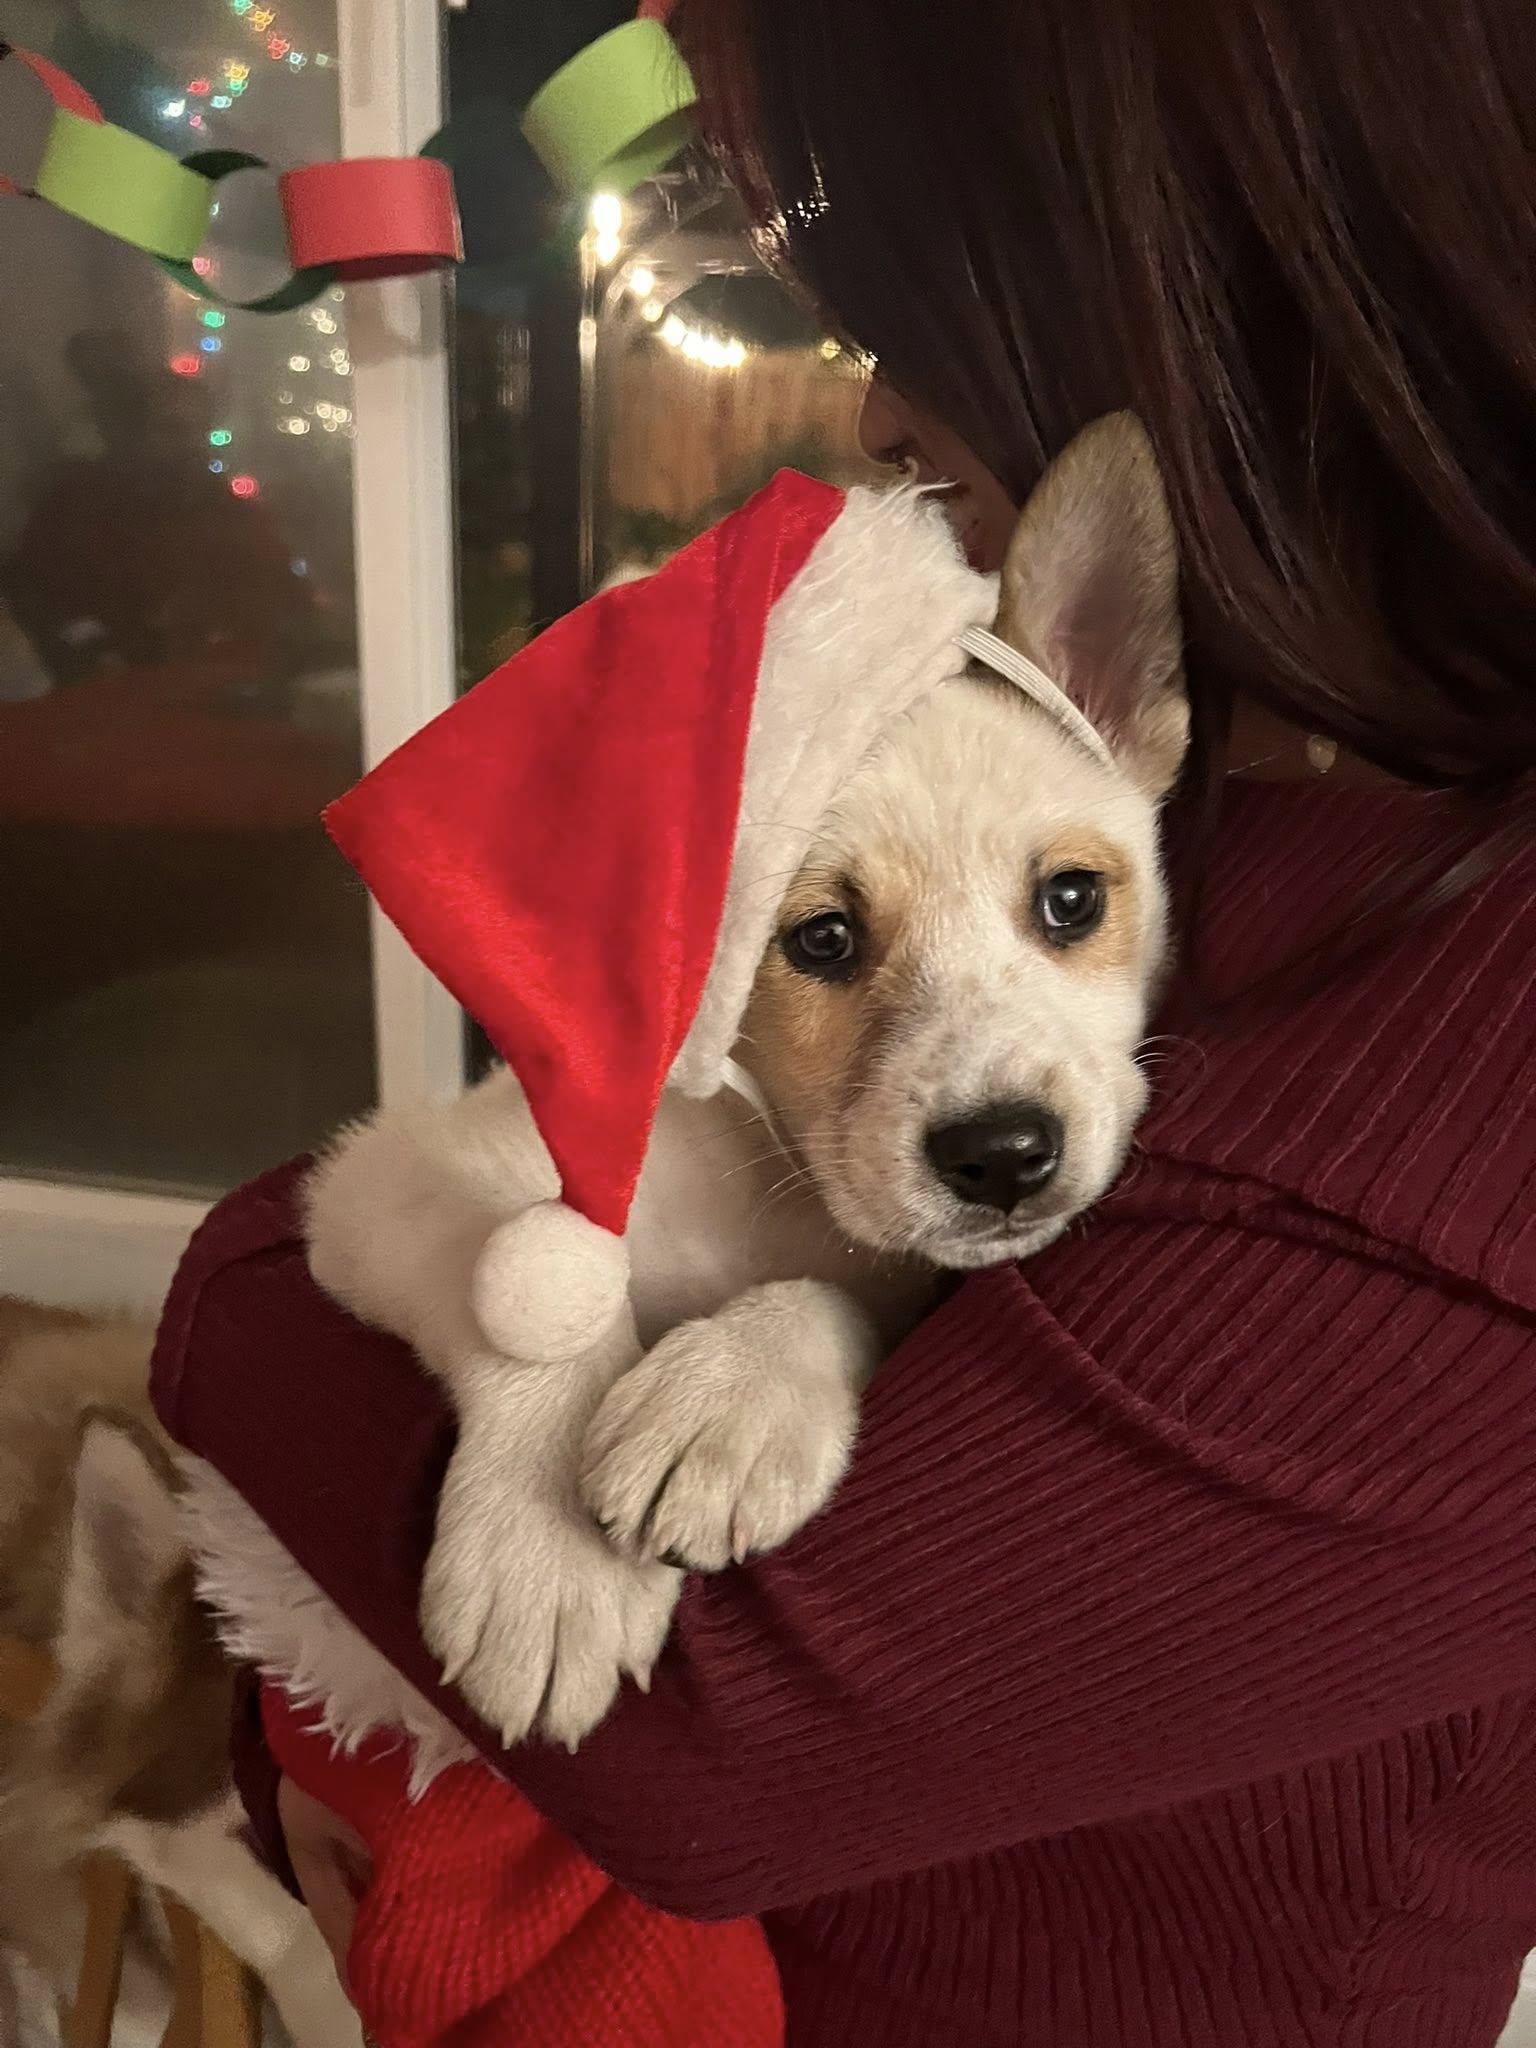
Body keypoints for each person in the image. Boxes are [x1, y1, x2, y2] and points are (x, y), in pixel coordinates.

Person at [151, 1, 1536, 2042]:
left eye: (927, 288)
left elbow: (691, 1728)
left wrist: (255, 1284)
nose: (882, 408)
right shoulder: (1212, 795)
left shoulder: (1454, 1123)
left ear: (1236, 263)